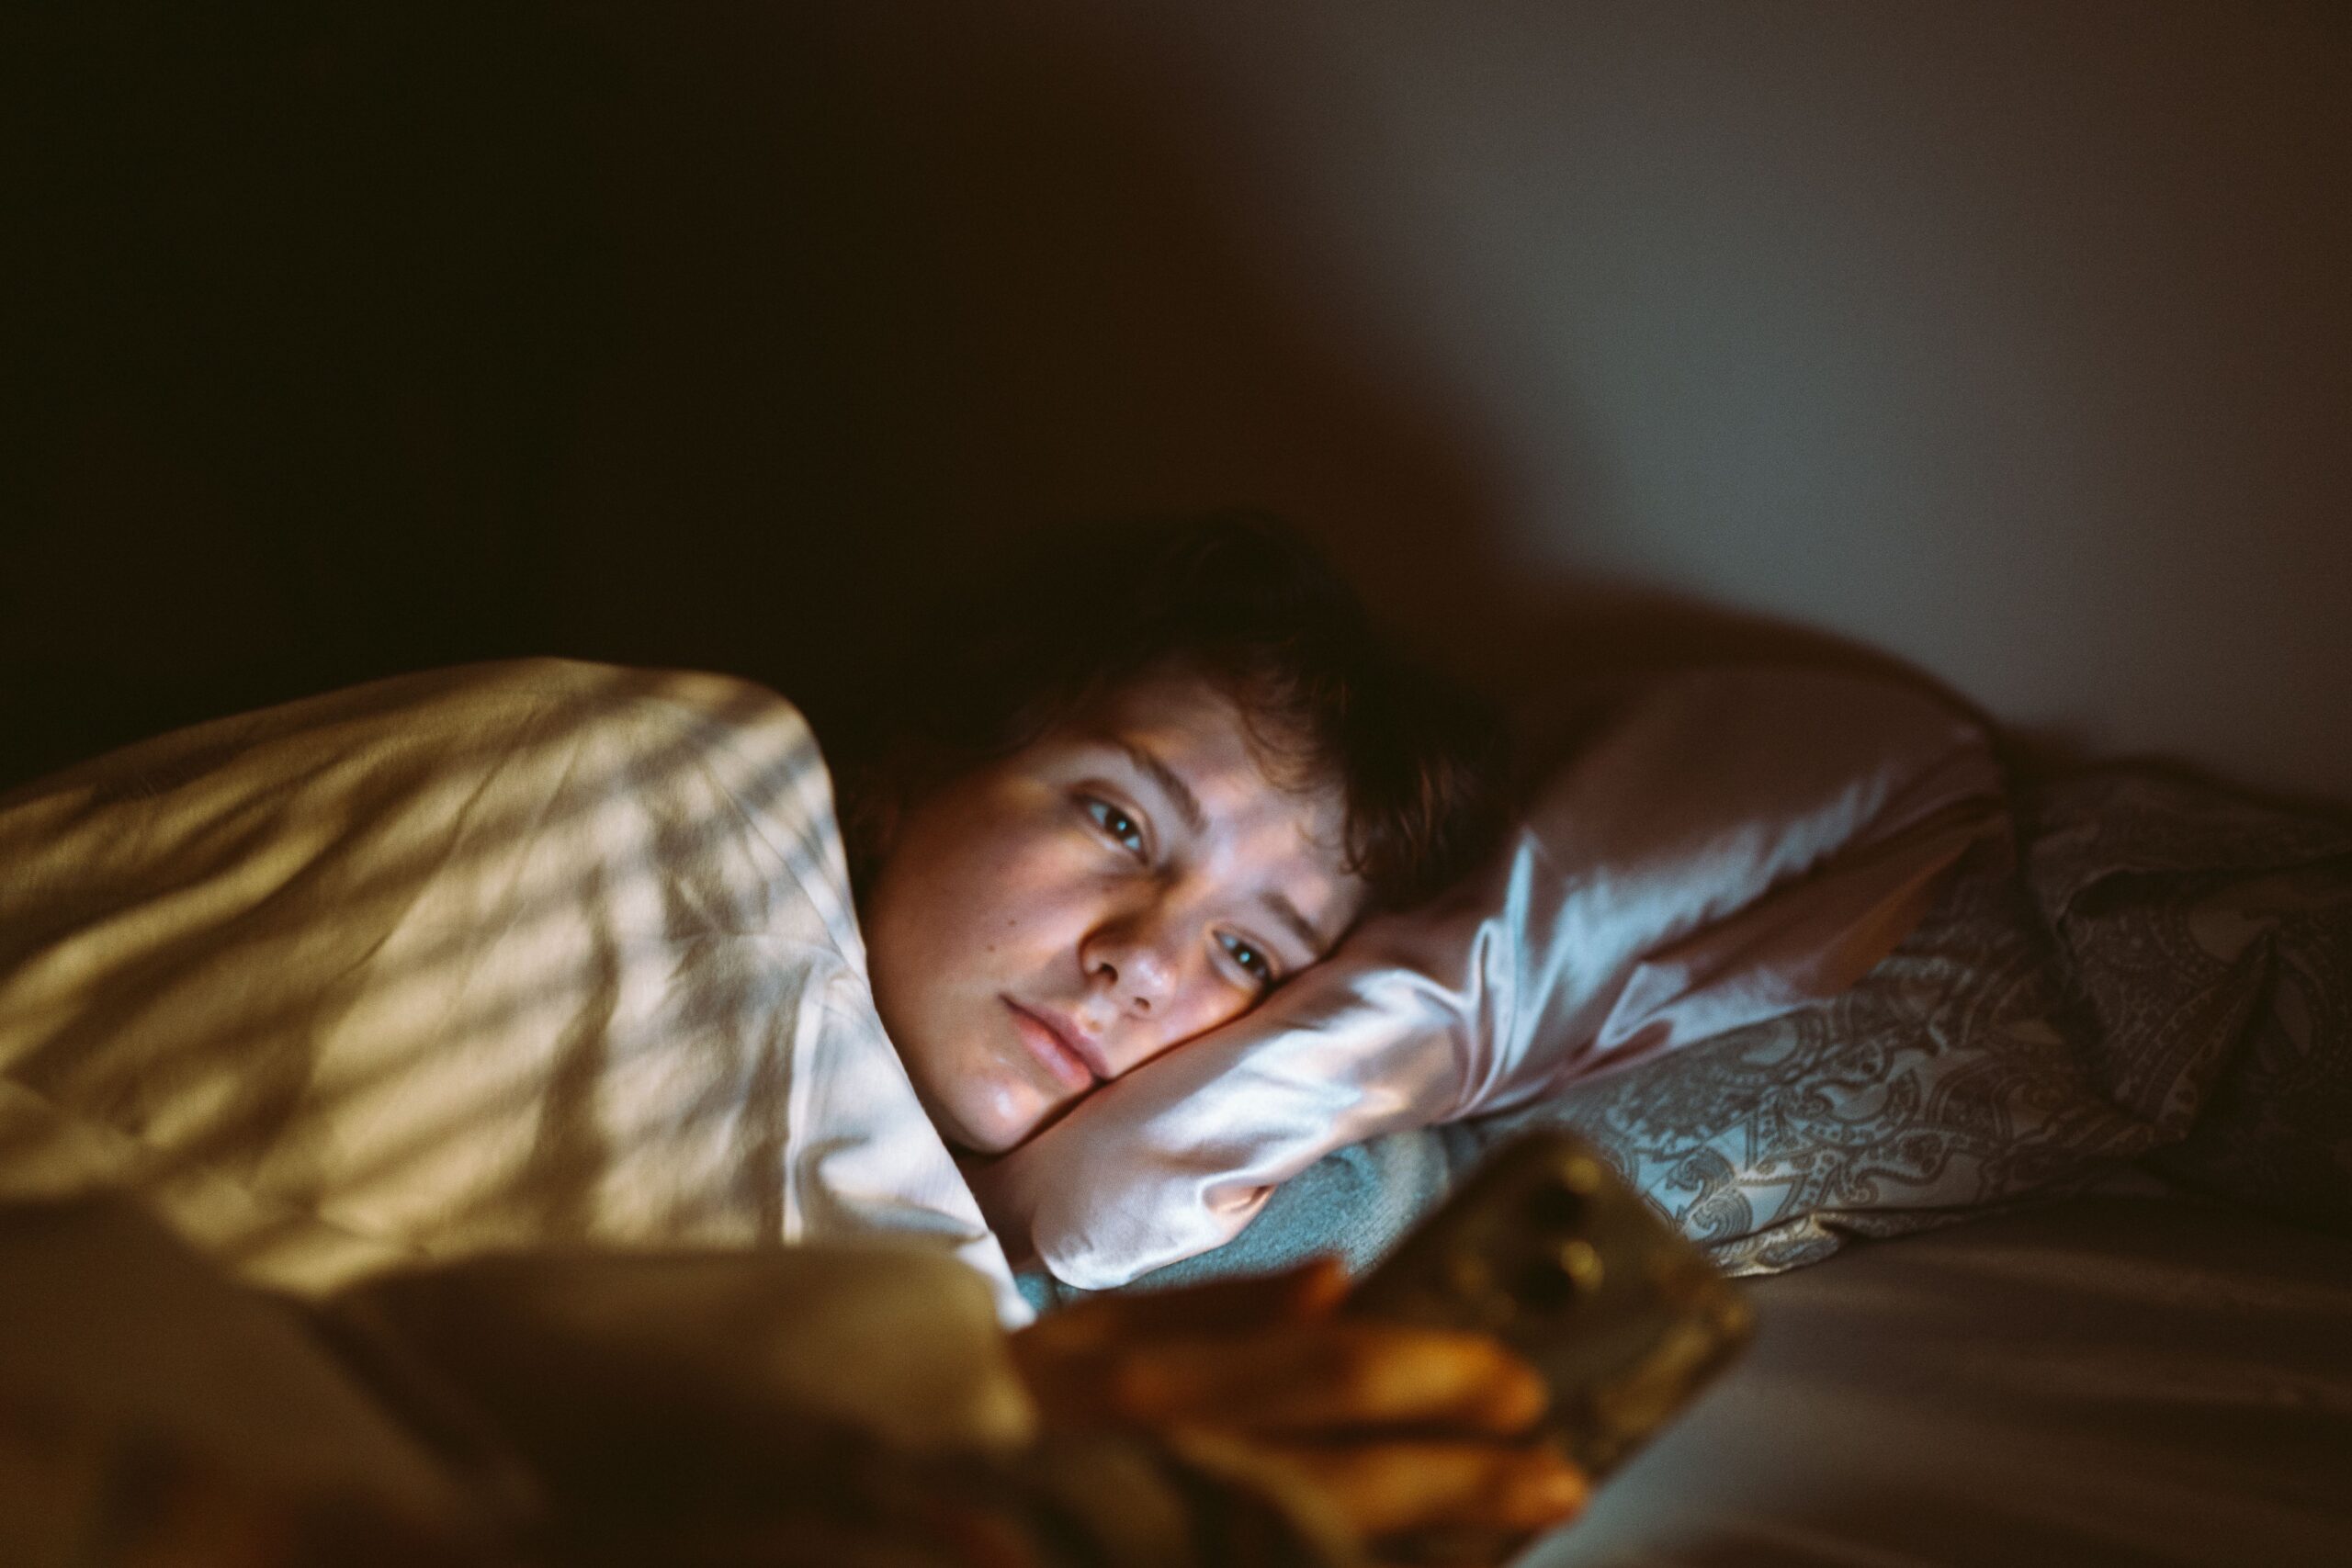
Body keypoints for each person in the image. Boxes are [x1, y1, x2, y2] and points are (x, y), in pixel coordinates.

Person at [0, 514, 1584, 1563]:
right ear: (911, 777)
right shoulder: (653, 784)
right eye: (1118, 818)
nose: (1138, 963)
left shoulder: (960, 1294)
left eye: (1247, 951)